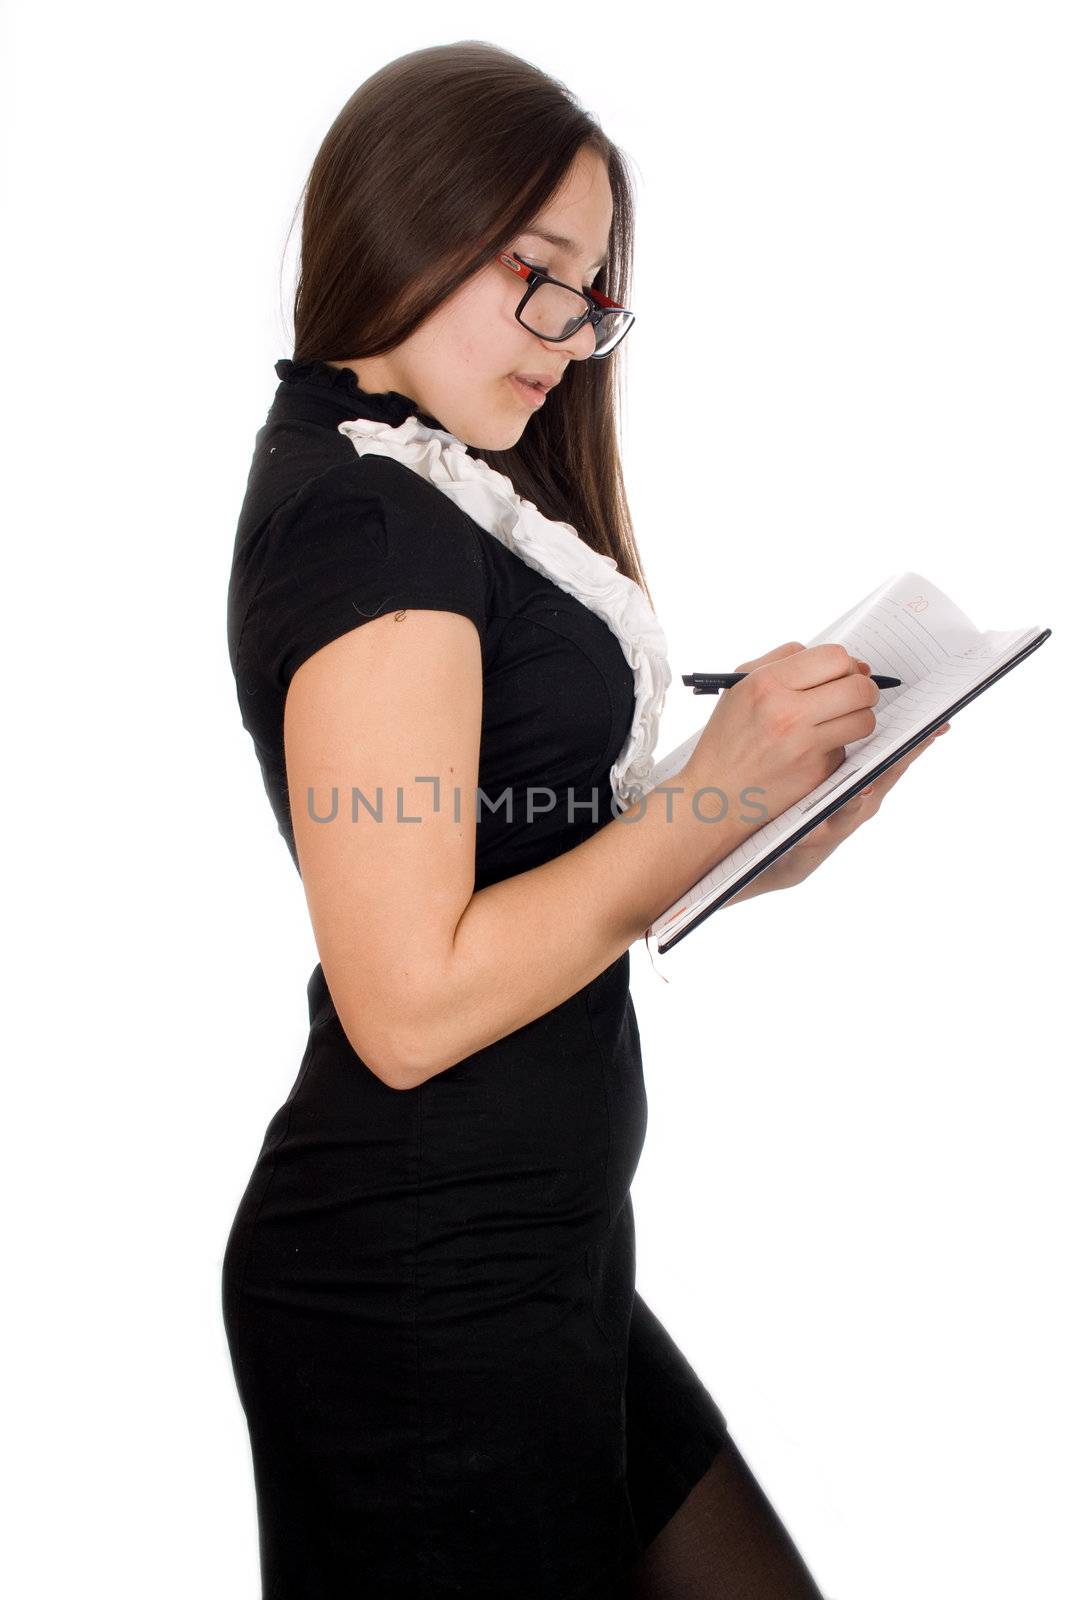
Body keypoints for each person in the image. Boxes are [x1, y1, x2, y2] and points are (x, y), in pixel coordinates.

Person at [222, 40, 947, 1599]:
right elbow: (409, 1007)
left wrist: (750, 838)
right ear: (400, 219)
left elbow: (520, 869)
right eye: (533, 271)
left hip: (540, 1259)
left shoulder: (435, 491)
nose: (569, 331)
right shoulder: (364, 520)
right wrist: (699, 804)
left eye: (595, 289)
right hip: (419, 1300)